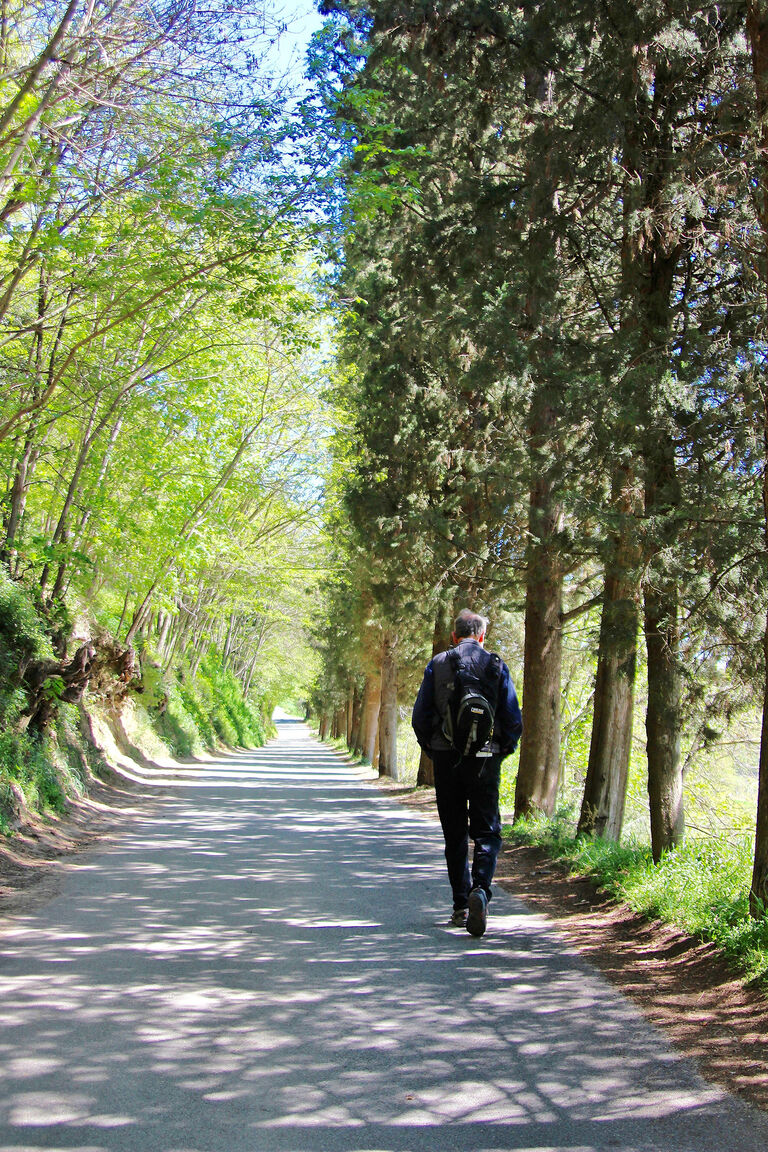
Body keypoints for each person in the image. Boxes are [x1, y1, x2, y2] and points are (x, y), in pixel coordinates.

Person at [411, 608, 522, 937]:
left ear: (453, 636)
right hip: (485, 759)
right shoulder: (495, 665)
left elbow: (420, 717)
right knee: (487, 832)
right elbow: (513, 720)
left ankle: (461, 905)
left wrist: (434, 750)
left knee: (455, 833)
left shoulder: (438, 663)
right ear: (482, 635)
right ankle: (481, 891)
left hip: (447, 759)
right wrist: (499, 752)